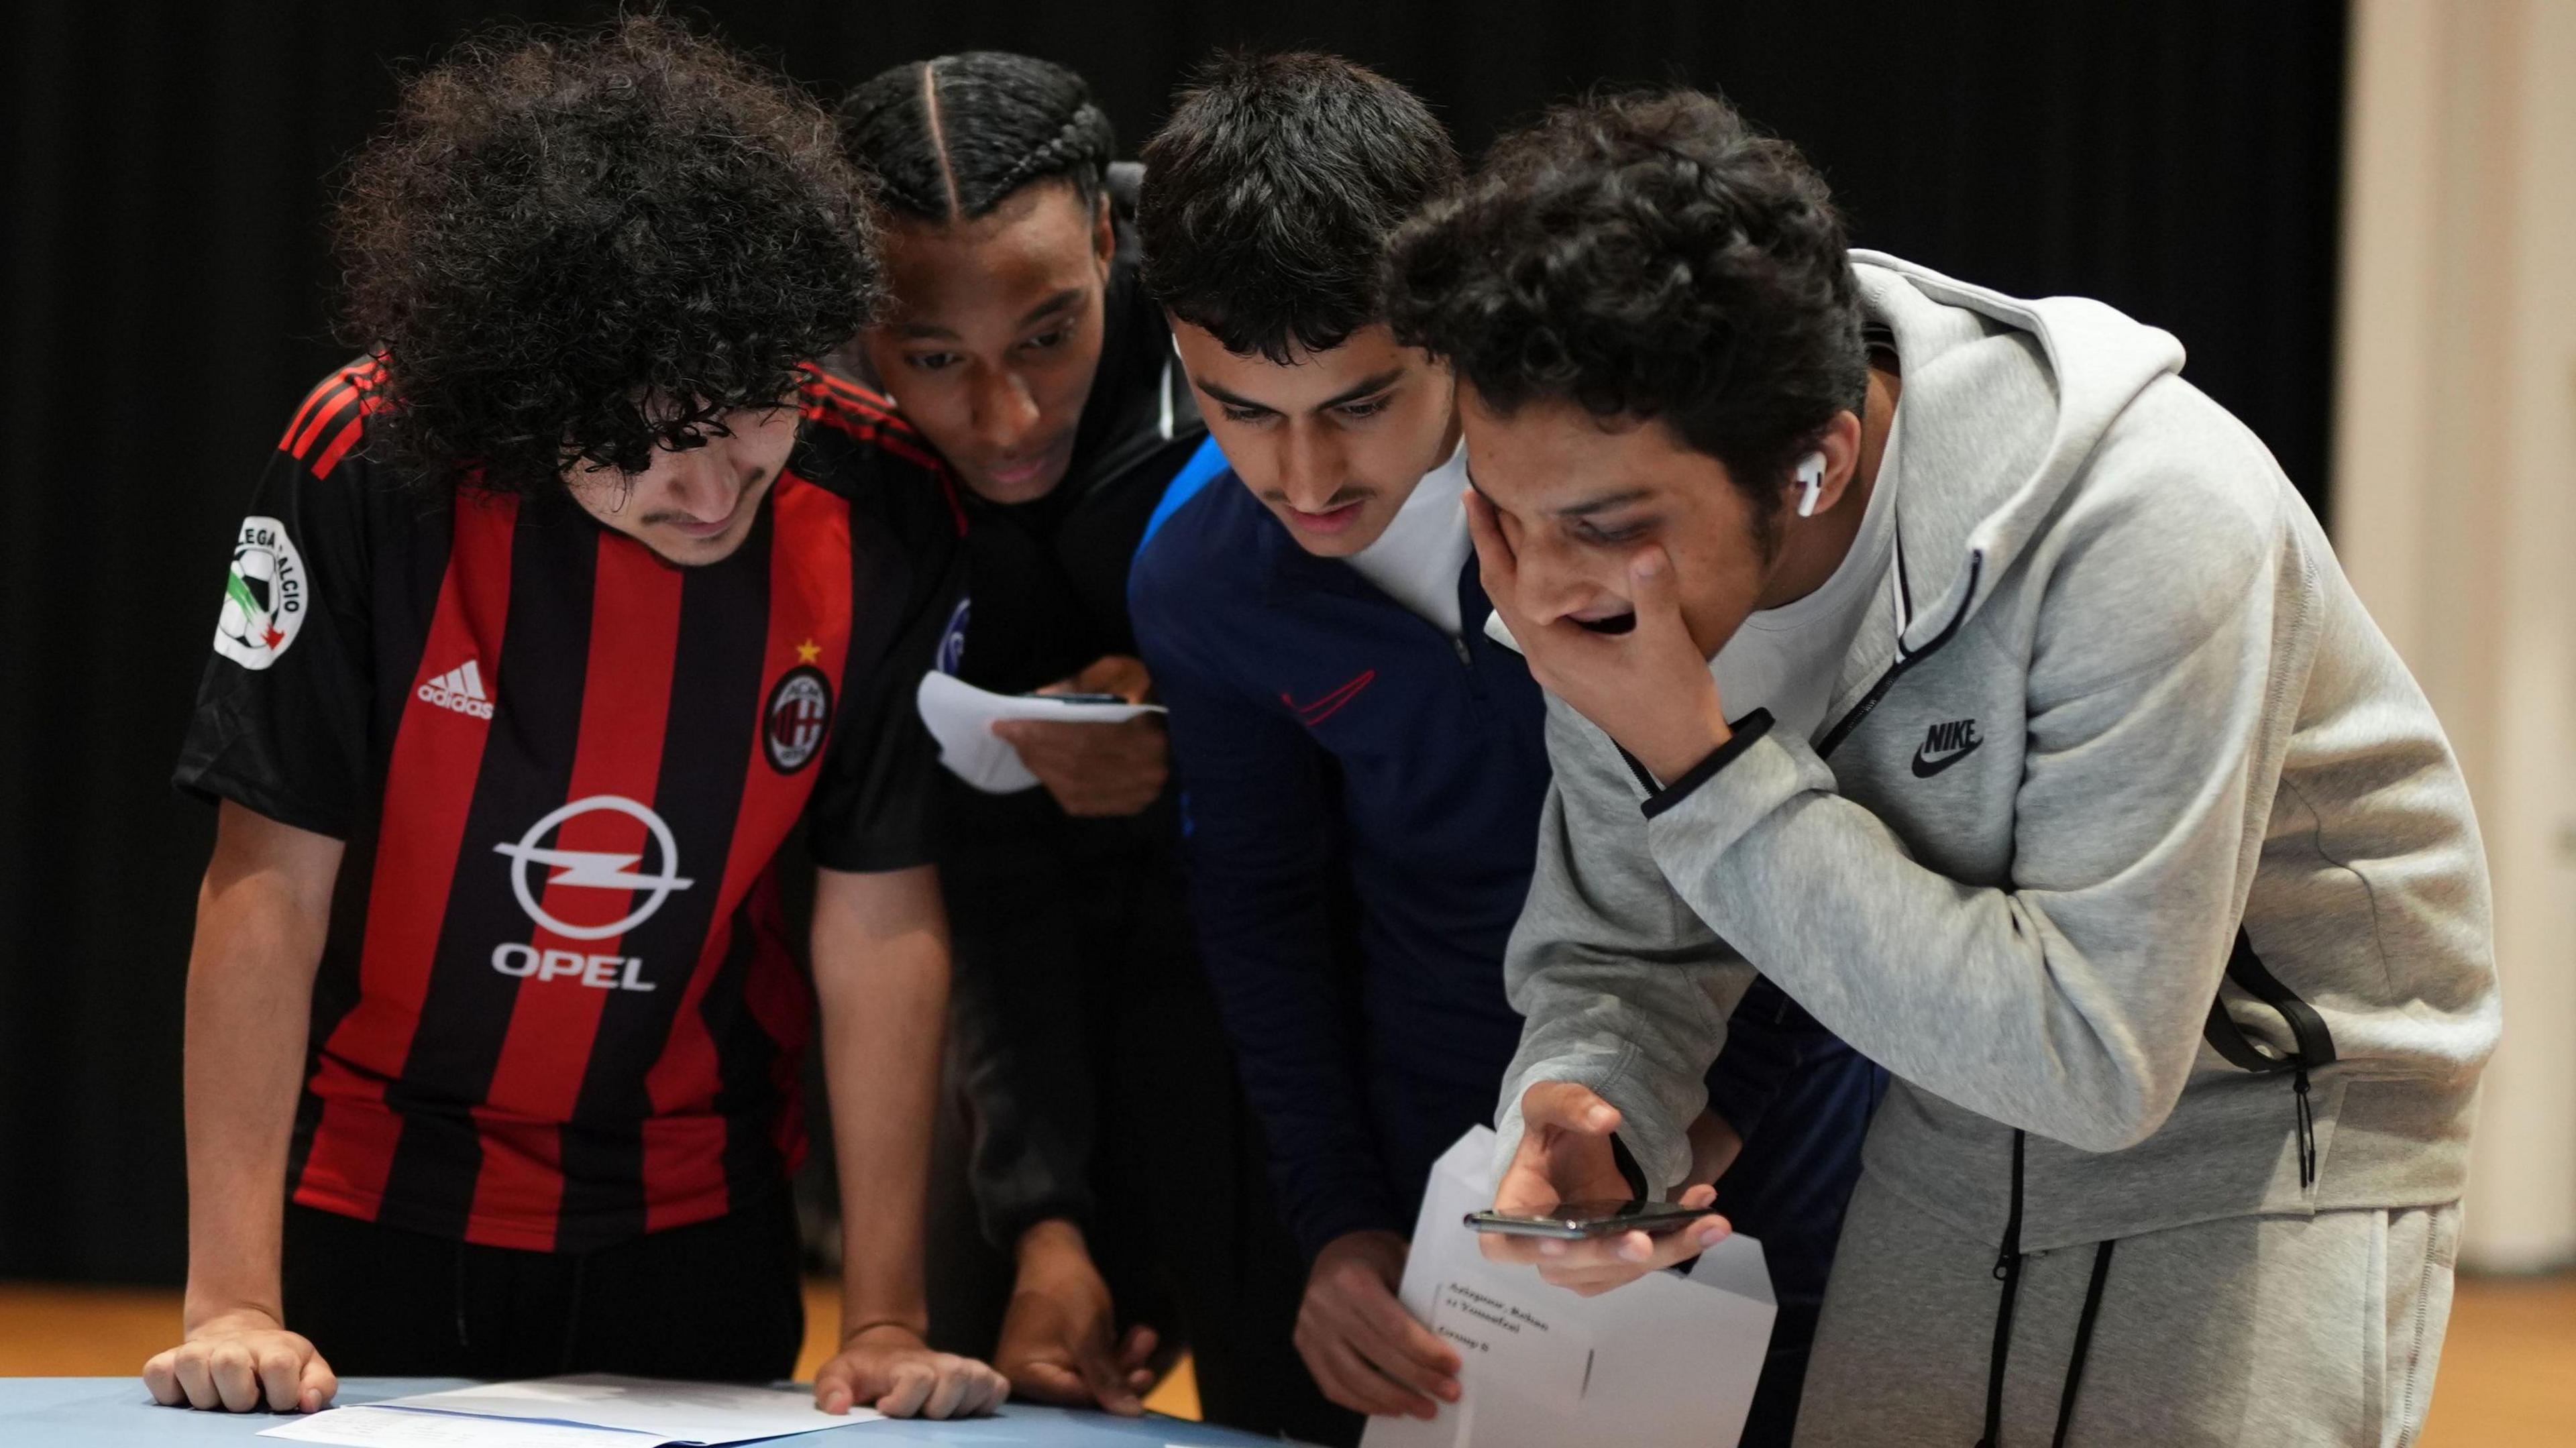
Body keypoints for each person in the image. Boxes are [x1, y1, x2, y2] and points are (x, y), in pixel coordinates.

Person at [1387, 89, 2500, 1445]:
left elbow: (2094, 1060)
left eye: (1602, 526)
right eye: (1502, 512)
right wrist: (1589, 1105)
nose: (1544, 589)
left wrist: (1696, 754)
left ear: (1815, 465)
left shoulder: (2150, 521)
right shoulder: (1596, 574)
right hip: (1954, 1102)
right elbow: (1629, 952)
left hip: (2262, 1130)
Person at [146, 17, 1006, 1420]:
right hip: (370, 1191)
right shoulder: (360, 463)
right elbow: (265, 886)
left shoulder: (892, 504)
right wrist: (233, 1297)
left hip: (698, 1207)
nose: (713, 492)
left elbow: (879, 921)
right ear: (532, 394)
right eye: (642, 451)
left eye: (748, 420)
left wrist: (891, 1312)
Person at [1128, 53, 1882, 1447]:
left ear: (1449, 320)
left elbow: (1811, 830)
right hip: (1454, 1187)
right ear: (1181, 360)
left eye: (1359, 403)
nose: (1305, 478)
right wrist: (1343, 1223)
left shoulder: (1638, 498)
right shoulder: (1201, 574)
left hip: (1772, 1150)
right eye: (1242, 410)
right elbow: (1261, 910)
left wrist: (1694, 1134)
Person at [831, 52, 1337, 1439]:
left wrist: (1209, 714)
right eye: (933, 357)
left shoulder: (1267, 345)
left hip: (1272, 993)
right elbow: (914, 856)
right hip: (990, 980)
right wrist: (1046, 1218)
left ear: (1116, 239)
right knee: (961, 1387)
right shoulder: (816, 447)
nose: (1006, 420)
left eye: (1051, 335)